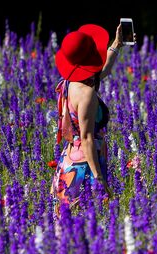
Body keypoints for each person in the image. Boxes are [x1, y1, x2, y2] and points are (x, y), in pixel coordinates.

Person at [51, 22, 135, 212]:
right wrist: (99, 180)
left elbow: (100, 73)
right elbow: (87, 138)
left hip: (70, 161)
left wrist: (116, 45)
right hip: (84, 169)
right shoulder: (87, 94)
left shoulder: (70, 82)